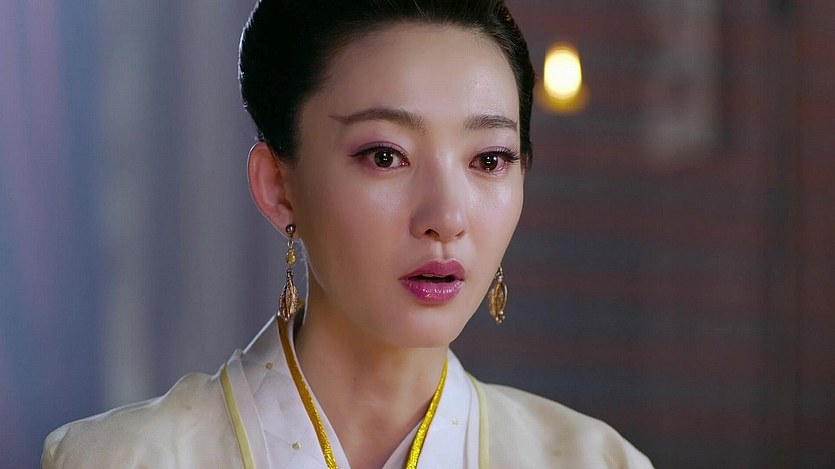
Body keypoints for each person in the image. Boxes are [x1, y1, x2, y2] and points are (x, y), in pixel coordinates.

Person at [42, 0, 653, 467]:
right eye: (386, 156)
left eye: (488, 160)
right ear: (278, 186)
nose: (446, 216)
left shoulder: (593, 460)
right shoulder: (124, 459)